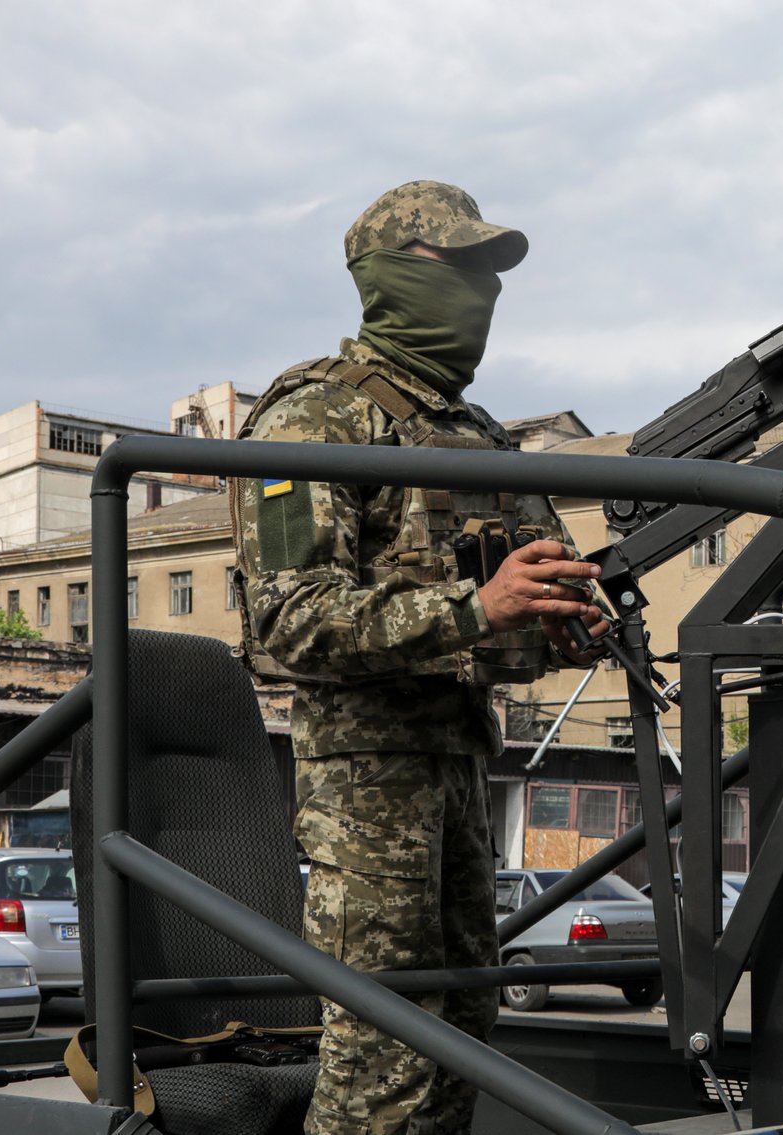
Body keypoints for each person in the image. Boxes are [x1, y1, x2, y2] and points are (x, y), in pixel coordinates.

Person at [231, 180, 608, 1134]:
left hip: (457, 768)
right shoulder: (312, 418)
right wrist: (476, 605)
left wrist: (562, 613)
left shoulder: (478, 437)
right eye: (463, 264)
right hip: (365, 784)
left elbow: (512, 606)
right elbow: (291, 621)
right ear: (391, 274)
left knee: (463, 1037)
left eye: (493, 269)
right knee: (384, 1058)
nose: (483, 287)